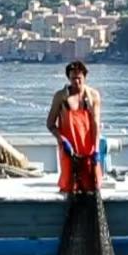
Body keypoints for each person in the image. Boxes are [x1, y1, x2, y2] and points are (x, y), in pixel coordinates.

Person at [46, 60, 103, 193]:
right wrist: (62, 140)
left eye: (79, 78)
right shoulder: (60, 96)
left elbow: (96, 124)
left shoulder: (93, 96)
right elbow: (50, 124)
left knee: (92, 186)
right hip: (69, 151)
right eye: (73, 78)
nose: (76, 82)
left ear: (84, 77)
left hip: (88, 150)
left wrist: (96, 149)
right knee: (68, 186)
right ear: (68, 78)